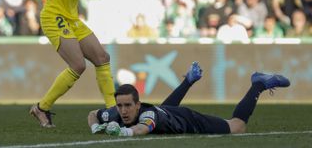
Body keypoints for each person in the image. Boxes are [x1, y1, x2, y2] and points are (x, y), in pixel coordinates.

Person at [30, 0, 134, 128]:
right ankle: (42, 107)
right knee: (78, 65)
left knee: (102, 58)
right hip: (53, 17)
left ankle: (113, 111)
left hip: (72, 18)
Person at [88, 61, 290, 136]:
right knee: (163, 111)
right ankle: (189, 80)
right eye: (120, 105)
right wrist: (96, 127)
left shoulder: (146, 114)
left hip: (186, 119)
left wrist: (124, 132)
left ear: (137, 105)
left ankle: (258, 84)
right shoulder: (114, 113)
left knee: (236, 126)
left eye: (128, 106)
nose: (123, 111)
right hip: (165, 114)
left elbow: (143, 128)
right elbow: (92, 115)